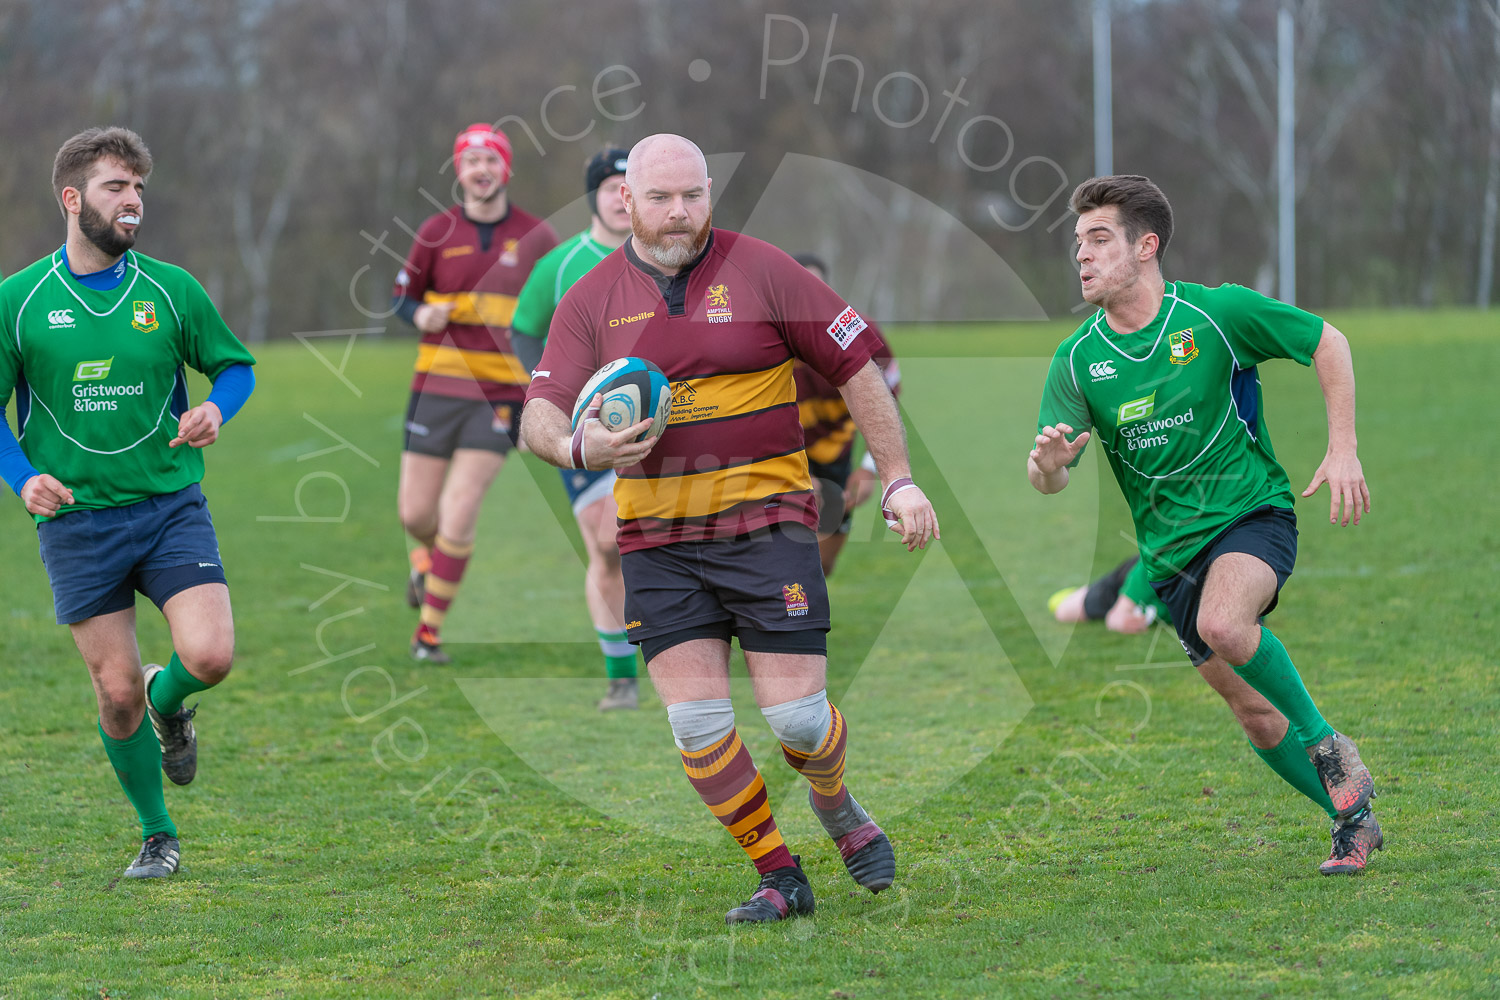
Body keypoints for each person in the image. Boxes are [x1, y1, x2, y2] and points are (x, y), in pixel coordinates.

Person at [521, 135, 939, 924]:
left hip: (769, 527)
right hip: (658, 542)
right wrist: (581, 445)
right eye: (659, 198)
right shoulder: (591, 301)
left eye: (692, 196)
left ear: (709, 192)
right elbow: (537, 413)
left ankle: (837, 805)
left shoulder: (767, 270)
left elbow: (860, 366)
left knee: (798, 720)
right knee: (698, 725)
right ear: (626, 202)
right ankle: (780, 873)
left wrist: (900, 478)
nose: (678, 213)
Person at [1030, 175, 1380, 875]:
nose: (1083, 256)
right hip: (1168, 559)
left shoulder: (1215, 314)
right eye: (1078, 244)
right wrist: (1050, 465)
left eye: (1100, 240)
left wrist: (1343, 447)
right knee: (1253, 715)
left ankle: (1330, 748)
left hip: (1253, 516)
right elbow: (1048, 477)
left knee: (1227, 623)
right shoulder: (1077, 359)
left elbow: (1328, 342)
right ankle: (1353, 821)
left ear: (1146, 246)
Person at [0, 127, 257, 879]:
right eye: (118, 187)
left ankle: (168, 701)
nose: (134, 202)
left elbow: (233, 368)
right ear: (73, 199)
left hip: (169, 504)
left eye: (140, 188)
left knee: (209, 654)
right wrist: (22, 478)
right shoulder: (18, 301)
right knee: (114, 696)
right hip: (76, 522)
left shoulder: (172, 290)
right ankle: (157, 835)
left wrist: (218, 410)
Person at [392, 123, 559, 663]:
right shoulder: (435, 230)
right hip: (435, 387)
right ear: (459, 171)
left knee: (460, 509)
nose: (481, 170)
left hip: (501, 395)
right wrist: (420, 311)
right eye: (471, 161)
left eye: (491, 160)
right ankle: (427, 565)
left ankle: (429, 634)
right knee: (415, 515)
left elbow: (562, 311)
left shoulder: (538, 238)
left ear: (505, 169)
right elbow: (401, 296)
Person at [511, 147, 642, 710]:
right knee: (608, 542)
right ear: (594, 196)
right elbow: (522, 333)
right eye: (610, 186)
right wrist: (544, 400)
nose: (619, 197)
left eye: (628, 187)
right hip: (585, 424)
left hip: (667, 421)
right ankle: (621, 676)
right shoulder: (562, 264)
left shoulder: (664, 258)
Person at [789, 253, 900, 576]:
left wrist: (870, 468)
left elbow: (888, 401)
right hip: (782, 451)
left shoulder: (860, 333)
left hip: (836, 450)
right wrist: (794, 470)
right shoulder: (765, 336)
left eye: (816, 288)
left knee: (823, 564)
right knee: (785, 560)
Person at [1048, 553, 1172, 634]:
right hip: (1126, 581)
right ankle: (1082, 592)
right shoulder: (1154, 568)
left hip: (1150, 593)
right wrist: (1120, 615)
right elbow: (1115, 617)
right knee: (1064, 611)